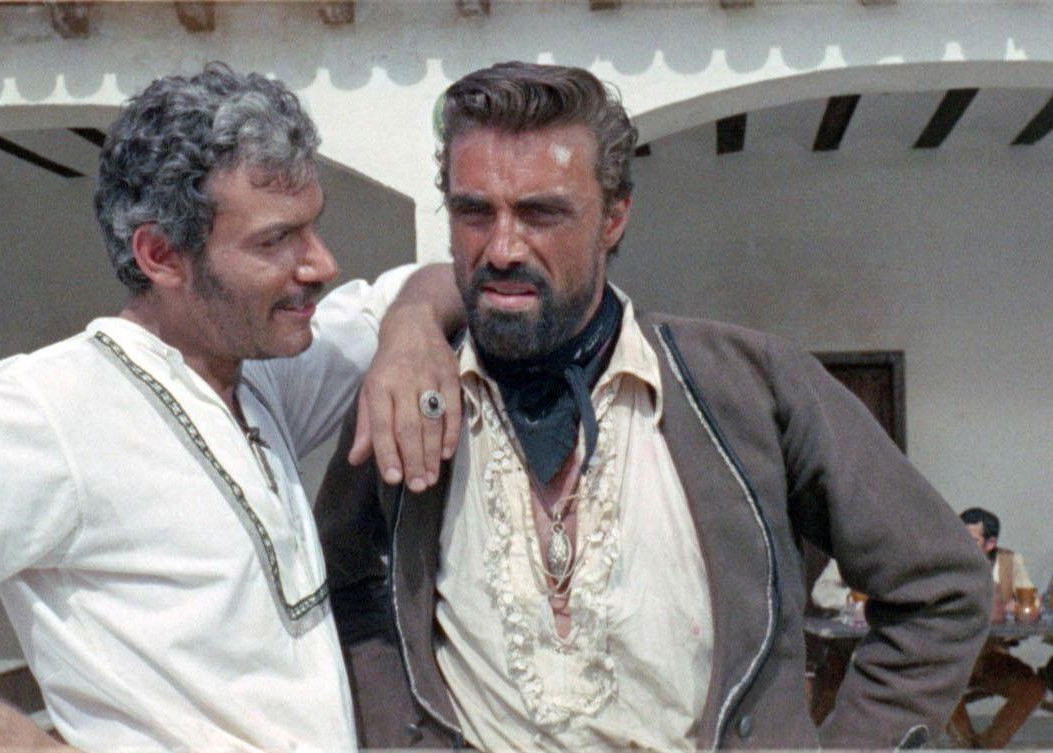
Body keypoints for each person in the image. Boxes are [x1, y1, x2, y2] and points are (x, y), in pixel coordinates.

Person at [0, 63, 464, 752]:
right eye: (276, 240)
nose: (322, 263)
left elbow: (433, 281)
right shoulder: (54, 410)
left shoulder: (266, 380)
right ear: (160, 255)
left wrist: (410, 330)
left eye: (312, 225)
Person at [315, 61, 991, 751]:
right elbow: (345, 587)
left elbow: (940, 588)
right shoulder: (407, 394)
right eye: (473, 212)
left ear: (612, 218)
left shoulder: (748, 385)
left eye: (542, 213)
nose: (503, 247)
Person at [948, 507, 1048, 748]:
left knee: (1033, 687)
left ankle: (990, 744)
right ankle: (965, 744)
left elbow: (1030, 599)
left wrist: (1020, 606)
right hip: (954, 659)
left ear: (990, 543)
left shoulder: (1008, 562)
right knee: (939, 684)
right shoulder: (947, 564)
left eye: (972, 541)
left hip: (991, 655)